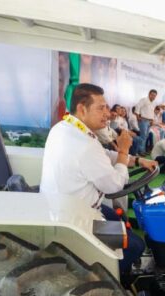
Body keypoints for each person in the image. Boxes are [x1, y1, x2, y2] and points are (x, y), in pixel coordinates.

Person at [39, 83, 156, 274]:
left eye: (107, 107)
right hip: (75, 222)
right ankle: (114, 281)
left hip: (67, 210)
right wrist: (125, 150)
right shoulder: (83, 145)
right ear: (82, 109)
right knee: (136, 245)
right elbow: (115, 185)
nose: (107, 113)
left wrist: (137, 160)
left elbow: (102, 155)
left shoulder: (65, 128)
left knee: (118, 220)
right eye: (101, 108)